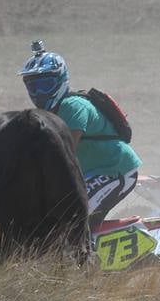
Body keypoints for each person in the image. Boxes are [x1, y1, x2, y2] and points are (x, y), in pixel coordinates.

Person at [19, 42, 142, 228]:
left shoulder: (72, 106)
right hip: (92, 172)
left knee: (75, 219)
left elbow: (65, 151)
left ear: (61, 79)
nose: (39, 93)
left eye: (45, 85)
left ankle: (88, 253)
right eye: (33, 87)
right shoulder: (51, 112)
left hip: (115, 170)